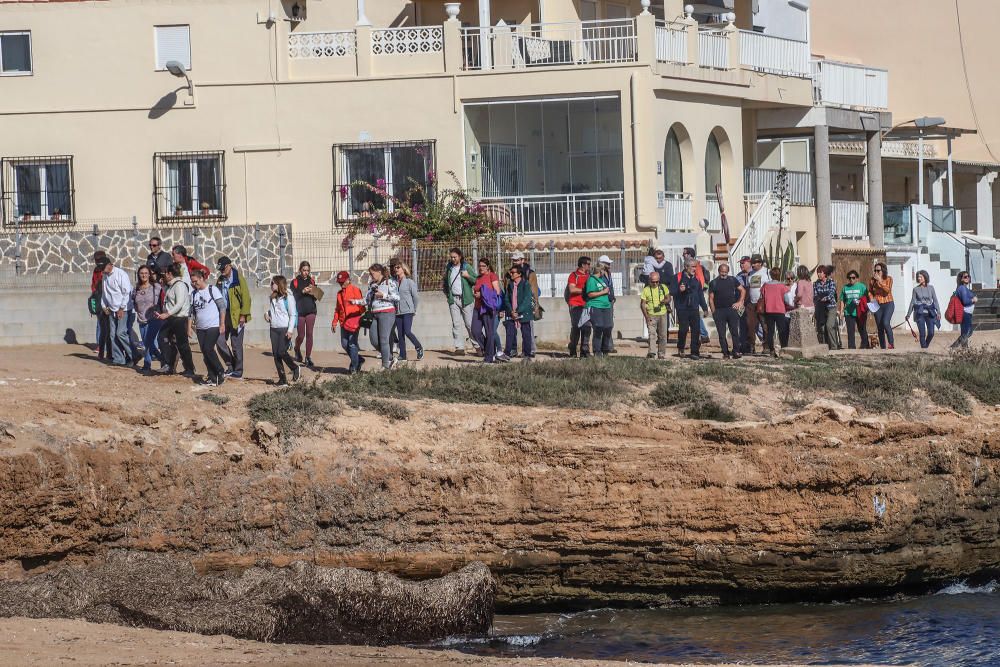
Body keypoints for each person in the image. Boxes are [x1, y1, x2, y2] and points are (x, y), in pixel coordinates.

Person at [155, 262, 195, 377]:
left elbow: (179, 304)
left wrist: (167, 314)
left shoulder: (179, 285)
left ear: (169, 274)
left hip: (180, 318)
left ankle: (189, 368)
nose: (164, 275)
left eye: (165, 273)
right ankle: (168, 364)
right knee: (162, 338)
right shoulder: (171, 285)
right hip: (172, 318)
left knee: (182, 344)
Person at [215, 256, 251, 379]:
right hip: (223, 315)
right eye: (220, 269)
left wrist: (243, 315)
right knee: (219, 340)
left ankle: (238, 370)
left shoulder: (239, 279)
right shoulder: (220, 279)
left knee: (236, 345)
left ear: (229, 266)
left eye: (223, 268)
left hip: (236, 316)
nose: (222, 271)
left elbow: (246, 298)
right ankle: (230, 365)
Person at [190, 269, 227, 386]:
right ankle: (212, 377)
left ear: (201, 278)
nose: (194, 284)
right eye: (192, 282)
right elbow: (191, 312)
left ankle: (220, 370)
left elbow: (222, 307)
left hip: (213, 325)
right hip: (200, 327)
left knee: (208, 349)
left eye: (196, 281)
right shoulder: (194, 294)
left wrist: (222, 323)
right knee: (205, 352)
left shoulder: (212, 290)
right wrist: (189, 326)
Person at [98, 256, 133, 367]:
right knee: (113, 335)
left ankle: (133, 355)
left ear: (110, 264)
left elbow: (126, 292)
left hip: (124, 309)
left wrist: (122, 308)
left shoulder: (121, 274)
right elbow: (105, 293)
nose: (103, 270)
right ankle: (119, 359)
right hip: (112, 309)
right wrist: (104, 306)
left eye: (104, 267)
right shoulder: (105, 276)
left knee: (121, 333)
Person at [264, 275, 300, 385]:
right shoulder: (273, 297)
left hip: (284, 329)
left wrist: (290, 330)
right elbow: (271, 311)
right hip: (273, 328)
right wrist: (266, 314)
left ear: (279, 284)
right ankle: (282, 379)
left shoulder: (288, 297)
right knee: (276, 354)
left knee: (282, 352)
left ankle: (295, 368)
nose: (271, 285)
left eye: (272, 283)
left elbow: (293, 314)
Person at [443, 248, 479, 355]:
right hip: (453, 299)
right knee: (456, 324)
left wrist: (468, 276)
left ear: (460, 256)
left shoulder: (466, 267)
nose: (453, 259)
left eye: (455, 257)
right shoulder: (449, 267)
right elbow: (445, 281)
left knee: (469, 324)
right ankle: (459, 348)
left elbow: (476, 280)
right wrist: (447, 294)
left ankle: (478, 346)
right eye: (452, 257)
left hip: (466, 299)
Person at [673, 259, 709, 360]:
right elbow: (672, 291)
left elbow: (700, 295)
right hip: (682, 308)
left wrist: (705, 308)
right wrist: (680, 290)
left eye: (695, 267)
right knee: (683, 330)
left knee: (696, 330)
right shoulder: (678, 277)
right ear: (686, 267)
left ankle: (695, 352)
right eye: (692, 267)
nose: (695, 269)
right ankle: (681, 347)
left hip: (694, 308)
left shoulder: (696, 279)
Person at [708, 263, 745, 359]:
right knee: (721, 334)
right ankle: (725, 353)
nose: (723, 274)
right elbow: (711, 299)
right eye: (722, 272)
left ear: (728, 272)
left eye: (725, 272)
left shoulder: (732, 280)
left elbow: (743, 290)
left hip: (731, 310)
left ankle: (736, 351)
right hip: (719, 311)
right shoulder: (713, 283)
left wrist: (740, 302)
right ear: (718, 271)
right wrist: (714, 312)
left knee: (735, 332)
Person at [366, 263, 399, 370]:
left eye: (372, 273)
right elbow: (367, 299)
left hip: (387, 313)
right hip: (375, 313)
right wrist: (355, 302)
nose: (371, 276)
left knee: (384, 340)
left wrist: (383, 295)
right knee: (374, 340)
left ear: (379, 272)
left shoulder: (389, 282)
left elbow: (397, 297)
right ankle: (390, 358)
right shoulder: (372, 284)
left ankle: (385, 365)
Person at [331, 270, 365, 374]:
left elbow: (362, 307)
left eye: (342, 281)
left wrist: (357, 316)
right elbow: (337, 309)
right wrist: (334, 322)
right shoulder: (339, 294)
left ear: (348, 280)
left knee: (352, 344)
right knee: (344, 344)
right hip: (343, 323)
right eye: (339, 282)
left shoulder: (355, 290)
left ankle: (354, 367)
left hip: (354, 322)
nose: (341, 284)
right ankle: (359, 359)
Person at [131, 265, 163, 372]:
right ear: (138, 275)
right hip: (141, 319)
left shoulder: (156, 287)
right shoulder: (136, 289)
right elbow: (133, 302)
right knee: (146, 343)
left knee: (149, 342)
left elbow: (163, 300)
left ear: (149, 274)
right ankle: (160, 361)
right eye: (141, 273)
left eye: (145, 273)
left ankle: (149, 363)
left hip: (154, 319)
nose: (144, 275)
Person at [472, 258, 503, 364]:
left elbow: (497, 292)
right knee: (475, 331)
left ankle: (489, 357)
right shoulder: (478, 278)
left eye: (483, 266)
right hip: (477, 307)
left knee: (489, 333)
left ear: (488, 267)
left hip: (488, 308)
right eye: (479, 266)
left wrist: (482, 294)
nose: (481, 268)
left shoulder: (492, 276)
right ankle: (490, 350)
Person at [290, 261, 319, 367]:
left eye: (307, 270)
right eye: (304, 270)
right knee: (301, 335)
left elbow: (317, 297)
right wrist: (302, 291)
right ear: (300, 270)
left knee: (310, 334)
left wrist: (313, 291)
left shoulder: (312, 281)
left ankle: (308, 357)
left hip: (311, 311)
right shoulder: (294, 282)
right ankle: (297, 348)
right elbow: (294, 297)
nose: (306, 272)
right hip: (300, 312)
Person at [503, 264, 535, 360]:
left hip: (524, 313)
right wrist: (511, 311)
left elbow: (527, 300)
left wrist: (518, 311)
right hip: (512, 313)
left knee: (526, 334)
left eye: (513, 273)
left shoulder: (526, 284)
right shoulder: (510, 285)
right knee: (510, 333)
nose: (511, 274)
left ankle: (527, 354)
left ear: (519, 274)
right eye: (510, 272)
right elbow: (507, 299)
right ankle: (507, 353)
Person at [393, 262, 423, 363]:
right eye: (395, 267)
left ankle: (418, 347)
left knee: (407, 331)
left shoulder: (409, 282)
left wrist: (413, 309)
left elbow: (416, 297)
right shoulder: (394, 282)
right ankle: (403, 355)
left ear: (403, 269)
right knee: (400, 334)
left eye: (398, 267)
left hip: (408, 311)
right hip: (397, 312)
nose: (396, 269)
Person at [585, 260, 614, 358]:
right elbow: (590, 294)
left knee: (608, 326)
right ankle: (597, 351)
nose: (604, 272)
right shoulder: (591, 280)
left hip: (606, 306)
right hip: (596, 306)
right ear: (600, 271)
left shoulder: (601, 280)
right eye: (604, 270)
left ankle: (605, 349)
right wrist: (603, 292)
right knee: (599, 327)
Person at [906, 270, 940, 349]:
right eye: (918, 277)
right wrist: (908, 314)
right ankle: (924, 349)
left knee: (931, 333)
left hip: (930, 312)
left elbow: (935, 301)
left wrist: (938, 312)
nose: (919, 278)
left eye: (920, 276)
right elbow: (912, 302)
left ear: (925, 277)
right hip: (919, 313)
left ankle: (925, 347)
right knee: (922, 333)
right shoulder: (915, 289)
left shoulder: (931, 288)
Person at [760, 267, 790, 356]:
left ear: (771, 275)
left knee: (770, 331)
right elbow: (787, 299)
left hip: (769, 310)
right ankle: (783, 349)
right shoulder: (782, 286)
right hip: (780, 310)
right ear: (779, 275)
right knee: (782, 330)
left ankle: (771, 350)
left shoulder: (765, 285)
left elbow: (762, 296)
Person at [640, 270, 670, 359]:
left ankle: (661, 353)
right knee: (652, 334)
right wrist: (646, 316)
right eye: (653, 282)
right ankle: (652, 352)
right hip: (651, 315)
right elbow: (642, 304)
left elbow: (669, 298)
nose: (655, 284)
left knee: (663, 335)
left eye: (657, 281)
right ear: (649, 281)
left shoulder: (663, 287)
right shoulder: (646, 290)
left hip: (662, 314)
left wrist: (665, 301)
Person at [567, 256, 593, 358]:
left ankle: (584, 351)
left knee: (587, 327)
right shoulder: (574, 275)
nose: (590, 266)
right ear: (583, 265)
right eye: (588, 264)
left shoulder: (590, 276)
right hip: (575, 305)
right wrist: (585, 290)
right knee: (576, 327)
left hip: (587, 305)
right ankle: (573, 348)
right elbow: (572, 289)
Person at [683, 247, 710, 343]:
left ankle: (703, 334)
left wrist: (697, 291)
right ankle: (702, 335)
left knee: (695, 316)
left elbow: (701, 280)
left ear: (690, 254)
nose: (683, 255)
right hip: (691, 295)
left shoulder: (696, 265)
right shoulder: (688, 265)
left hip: (695, 295)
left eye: (685, 253)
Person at [839, 270, 870, 350]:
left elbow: (867, 297)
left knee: (862, 329)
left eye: (853, 278)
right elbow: (842, 300)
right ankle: (851, 347)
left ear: (857, 278)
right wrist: (841, 312)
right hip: (848, 312)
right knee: (850, 331)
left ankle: (865, 345)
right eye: (849, 278)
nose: (851, 279)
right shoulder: (845, 288)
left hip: (860, 311)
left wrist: (866, 307)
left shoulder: (862, 286)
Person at [813, 265, 841, 350]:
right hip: (821, 308)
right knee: (822, 327)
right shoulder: (815, 283)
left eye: (820, 272)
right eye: (818, 272)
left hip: (831, 307)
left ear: (824, 273)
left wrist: (824, 298)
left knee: (829, 325)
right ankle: (825, 346)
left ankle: (834, 346)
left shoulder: (831, 282)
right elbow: (815, 296)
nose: (818, 274)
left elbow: (831, 294)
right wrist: (821, 298)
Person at [746, 254, 769, 354]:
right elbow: (748, 288)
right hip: (751, 303)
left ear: (760, 263)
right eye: (752, 263)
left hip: (763, 302)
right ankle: (751, 346)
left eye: (756, 263)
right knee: (750, 325)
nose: (754, 265)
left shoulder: (767, 272)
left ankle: (767, 346)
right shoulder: (750, 274)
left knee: (765, 326)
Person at [869, 262, 895, 349]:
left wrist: (880, 280)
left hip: (888, 303)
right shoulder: (872, 280)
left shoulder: (889, 279)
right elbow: (870, 291)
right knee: (880, 327)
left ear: (883, 270)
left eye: (878, 270)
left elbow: (887, 290)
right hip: (877, 305)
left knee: (885, 322)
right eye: (875, 270)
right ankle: (883, 347)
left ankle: (891, 344)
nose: (876, 272)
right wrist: (871, 298)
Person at [91, 250, 111, 360]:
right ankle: (100, 346)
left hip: (109, 300)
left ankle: (110, 347)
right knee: (100, 324)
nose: (96, 262)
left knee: (110, 325)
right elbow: (93, 284)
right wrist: (95, 294)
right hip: (99, 299)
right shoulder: (96, 270)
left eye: (97, 260)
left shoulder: (108, 269)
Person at [953, 271, 977, 349]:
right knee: (968, 332)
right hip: (964, 313)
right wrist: (973, 300)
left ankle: (964, 350)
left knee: (965, 332)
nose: (967, 278)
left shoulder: (963, 287)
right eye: (965, 277)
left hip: (967, 313)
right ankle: (954, 346)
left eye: (968, 276)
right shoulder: (962, 288)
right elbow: (965, 301)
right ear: (961, 279)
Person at [735, 256, 752, 354]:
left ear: (749, 263)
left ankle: (765, 344)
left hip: (752, 303)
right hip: (742, 303)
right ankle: (744, 346)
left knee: (755, 325)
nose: (741, 265)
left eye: (743, 263)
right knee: (742, 325)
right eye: (740, 263)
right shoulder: (738, 276)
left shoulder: (754, 274)